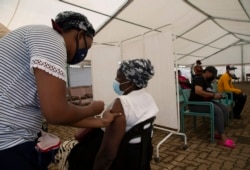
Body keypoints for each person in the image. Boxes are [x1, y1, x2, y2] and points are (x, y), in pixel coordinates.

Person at [0, 11, 120, 170]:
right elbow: (56, 113)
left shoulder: (34, 35)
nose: (84, 53)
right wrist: (92, 109)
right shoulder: (51, 39)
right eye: (87, 46)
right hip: (9, 144)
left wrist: (101, 122)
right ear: (80, 34)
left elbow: (57, 114)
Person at [93, 59, 159, 170]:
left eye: (119, 77)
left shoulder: (122, 103)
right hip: (142, 158)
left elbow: (108, 154)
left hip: (124, 161)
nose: (115, 80)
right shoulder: (148, 97)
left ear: (131, 82)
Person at [188, 66, 236, 148]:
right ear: (207, 72)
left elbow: (209, 93)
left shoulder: (207, 82)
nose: (213, 77)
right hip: (195, 104)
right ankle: (222, 138)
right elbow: (198, 91)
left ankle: (218, 132)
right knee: (218, 111)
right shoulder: (199, 79)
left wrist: (217, 95)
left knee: (224, 109)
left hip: (205, 102)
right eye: (213, 75)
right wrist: (213, 95)